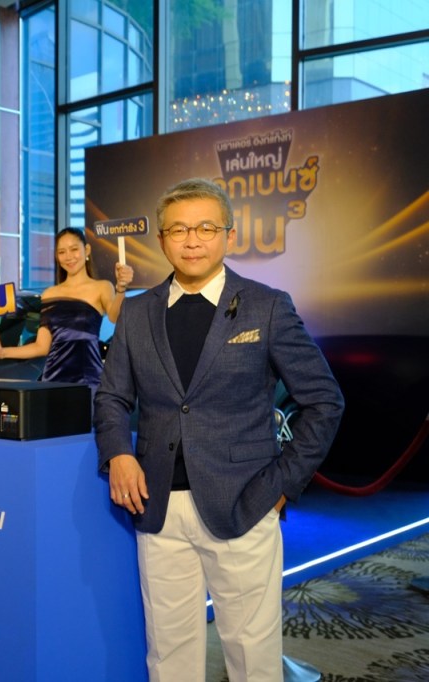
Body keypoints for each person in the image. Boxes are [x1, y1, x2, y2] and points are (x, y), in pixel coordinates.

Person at [93, 177, 344, 682]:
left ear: (229, 235)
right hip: (158, 507)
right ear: (162, 239)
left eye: (205, 228)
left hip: (245, 503)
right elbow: (112, 397)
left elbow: (324, 401)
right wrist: (118, 453)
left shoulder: (266, 306)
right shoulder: (137, 312)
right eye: (178, 229)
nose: (192, 240)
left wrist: (281, 485)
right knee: (168, 652)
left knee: (252, 656)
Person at [0, 227, 134, 391]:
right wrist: (2, 352)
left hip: (88, 380)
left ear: (87, 250)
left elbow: (114, 317)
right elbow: (41, 347)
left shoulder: (102, 287)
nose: (68, 257)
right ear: (57, 256)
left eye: (74, 249)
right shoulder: (50, 294)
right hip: (53, 380)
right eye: (62, 252)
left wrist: (121, 289)